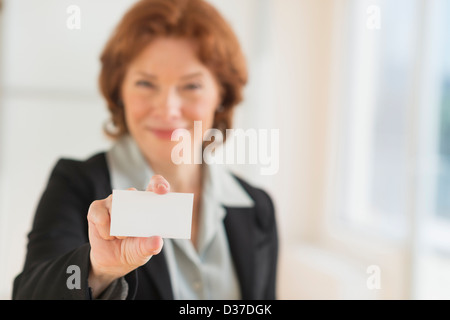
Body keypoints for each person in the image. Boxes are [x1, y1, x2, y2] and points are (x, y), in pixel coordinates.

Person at [12, 0, 278, 300]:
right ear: (120, 92)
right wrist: (99, 270)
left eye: (191, 86)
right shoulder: (76, 185)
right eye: (145, 83)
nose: (167, 109)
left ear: (222, 95)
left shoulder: (257, 207)